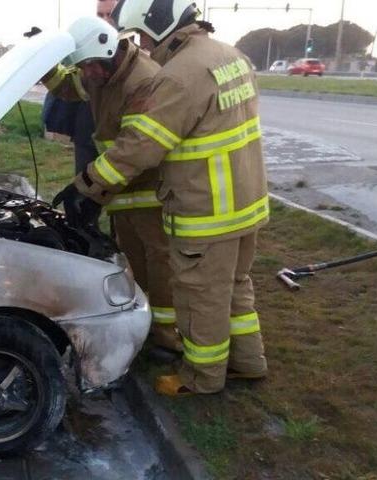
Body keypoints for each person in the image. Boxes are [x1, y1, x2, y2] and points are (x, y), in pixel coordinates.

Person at [63, 0, 269, 396]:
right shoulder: (231, 57)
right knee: (235, 286)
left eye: (141, 34)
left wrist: (85, 186)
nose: (141, 43)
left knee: (201, 296)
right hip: (246, 200)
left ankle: (202, 379)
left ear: (158, 25)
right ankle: (248, 362)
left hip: (207, 208)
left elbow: (141, 146)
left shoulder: (179, 77)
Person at [45, 16, 181, 353]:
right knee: (132, 262)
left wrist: (86, 186)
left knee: (159, 264)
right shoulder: (99, 72)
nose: (87, 74)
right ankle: (140, 325)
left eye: (90, 66)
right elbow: (69, 86)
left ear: (110, 48)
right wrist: (46, 64)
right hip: (120, 189)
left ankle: (165, 337)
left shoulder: (144, 81)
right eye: (83, 66)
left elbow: (134, 150)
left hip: (149, 191)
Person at [43, 0, 119, 175]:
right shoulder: (86, 52)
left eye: (110, 15)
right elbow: (69, 85)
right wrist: (45, 60)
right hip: (87, 135)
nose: (105, 21)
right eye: (100, 15)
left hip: (119, 150)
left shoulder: (136, 62)